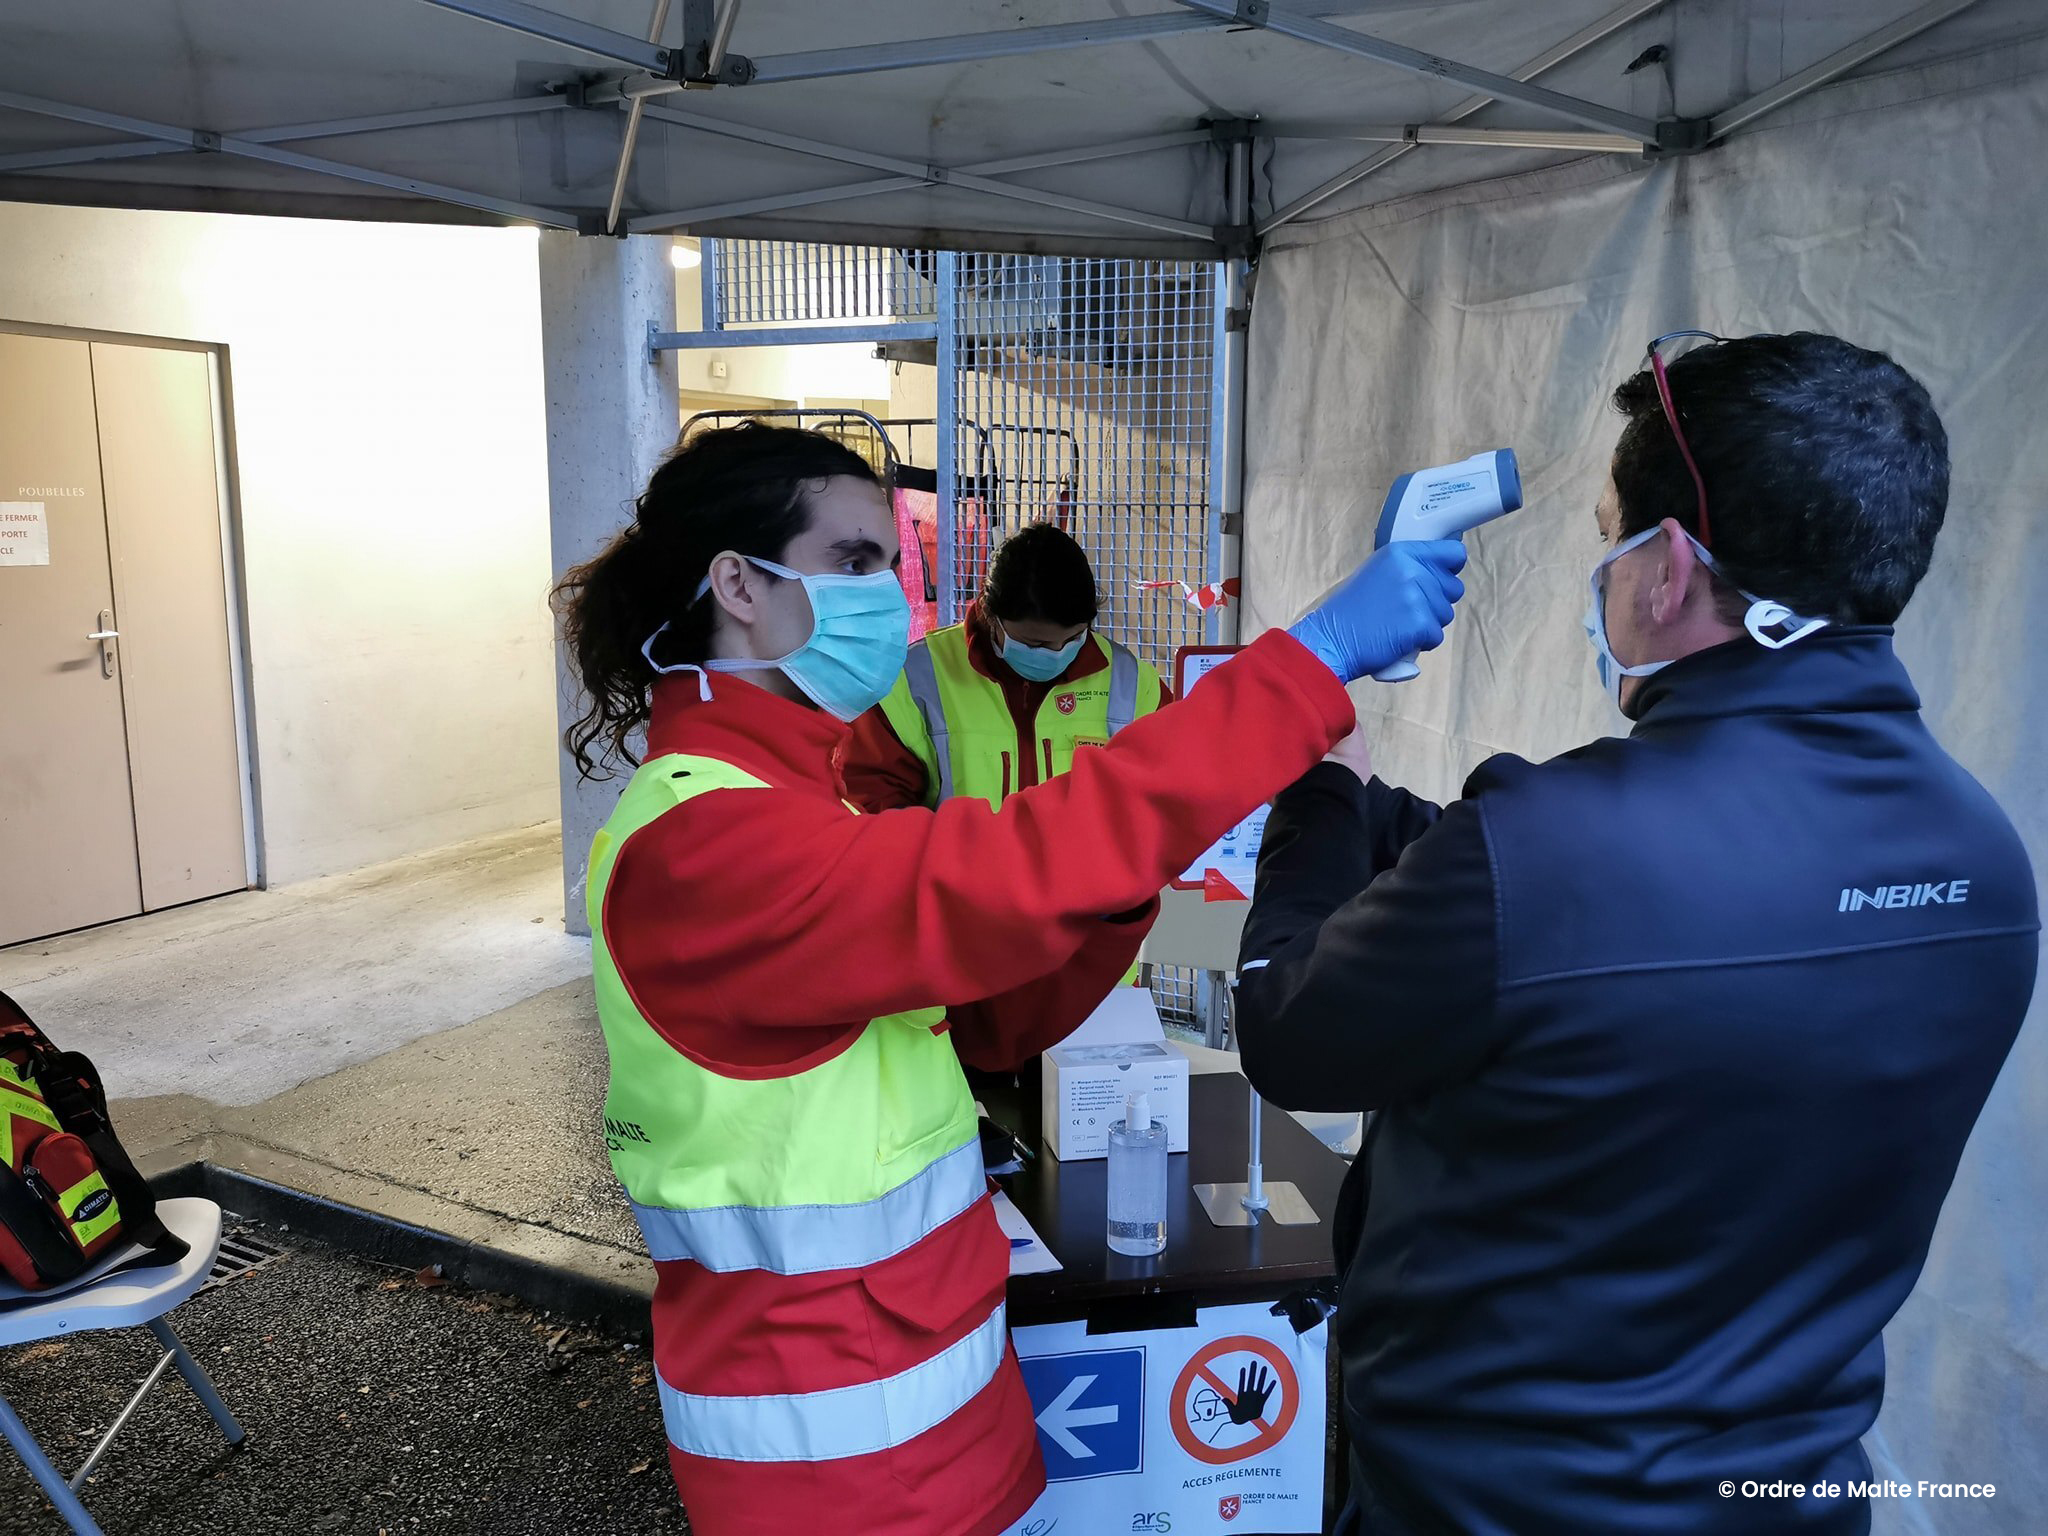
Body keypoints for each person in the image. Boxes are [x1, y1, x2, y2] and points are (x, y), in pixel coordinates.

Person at [550, 421, 1468, 1536]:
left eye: (891, 562)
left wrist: (1125, 875)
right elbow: (1005, 871)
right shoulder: (704, 848)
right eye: (852, 562)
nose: (887, 594)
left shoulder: (799, 802)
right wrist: (1307, 661)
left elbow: (985, 1024)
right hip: (830, 1468)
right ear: (736, 585)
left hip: (933, 1416)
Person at [1235, 331, 2039, 1536]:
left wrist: (1312, 785)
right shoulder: (1982, 862)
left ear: (1665, 567)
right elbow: (1614, 931)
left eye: (1608, 534)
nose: (1599, 572)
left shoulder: (1545, 854)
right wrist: (1381, 817)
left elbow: (1286, 1030)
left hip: (1486, 1506)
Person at [841, 521, 1170, 815]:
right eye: (1035, 644)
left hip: (1092, 883)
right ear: (989, 613)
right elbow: (873, 797)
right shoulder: (916, 679)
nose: (1057, 654)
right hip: (963, 881)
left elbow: (1167, 793)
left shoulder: (1133, 685)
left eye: (1074, 639)